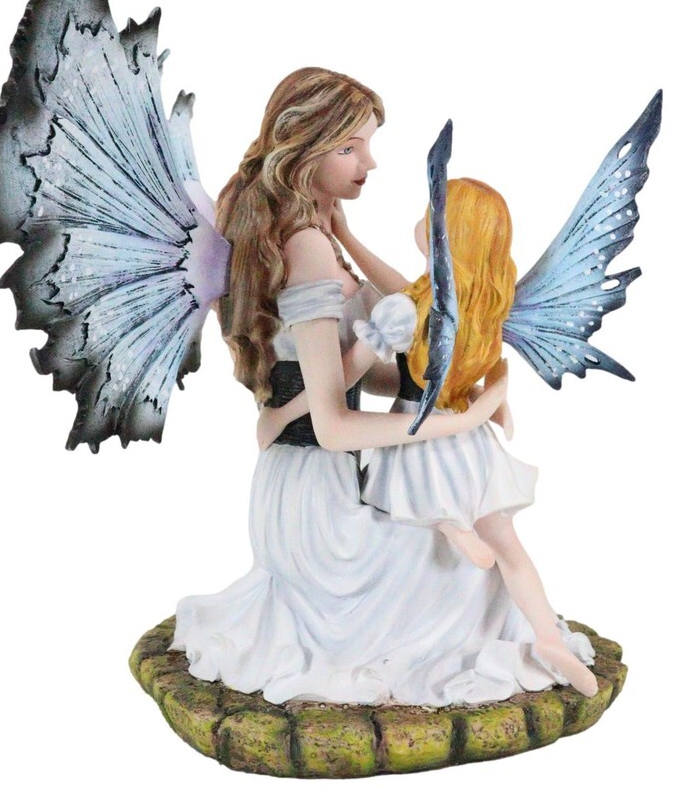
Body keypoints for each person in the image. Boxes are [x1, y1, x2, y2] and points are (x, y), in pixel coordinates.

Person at [171, 67, 594, 706]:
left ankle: (535, 629)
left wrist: (450, 385)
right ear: (305, 149)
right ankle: (513, 628)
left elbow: (403, 338)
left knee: (473, 522)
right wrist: (456, 418)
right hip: (317, 498)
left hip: (333, 476)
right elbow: (335, 424)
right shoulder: (306, 250)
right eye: (350, 147)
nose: (369, 162)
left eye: (367, 145)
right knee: (464, 563)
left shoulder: (324, 243)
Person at [258, 178, 598, 697]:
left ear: (444, 235)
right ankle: (548, 636)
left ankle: (451, 528)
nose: (420, 223)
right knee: (508, 544)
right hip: (470, 444)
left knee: (412, 498)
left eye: (429, 218)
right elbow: (404, 289)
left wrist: (284, 412)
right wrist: (495, 401)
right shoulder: (483, 305)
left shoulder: (405, 312)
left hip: (420, 435)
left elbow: (349, 369)